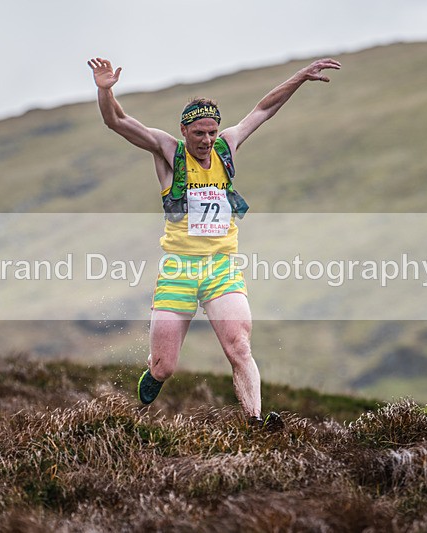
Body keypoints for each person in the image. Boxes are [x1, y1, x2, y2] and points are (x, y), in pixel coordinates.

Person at [87, 56, 341, 429]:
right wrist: (105, 91)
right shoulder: (166, 151)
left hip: (222, 268)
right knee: (165, 366)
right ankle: (150, 381)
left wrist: (300, 78)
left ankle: (255, 423)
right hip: (179, 271)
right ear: (184, 131)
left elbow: (264, 109)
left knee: (239, 347)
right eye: (199, 134)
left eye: (212, 132)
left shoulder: (227, 147)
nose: (207, 140)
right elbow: (118, 122)